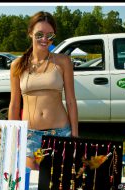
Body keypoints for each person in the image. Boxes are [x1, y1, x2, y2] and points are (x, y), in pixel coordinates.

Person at [8, 11, 78, 170]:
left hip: (61, 134)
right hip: (30, 137)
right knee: (30, 186)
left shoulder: (63, 62)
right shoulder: (17, 65)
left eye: (50, 35)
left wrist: (75, 135)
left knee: (57, 187)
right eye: (39, 34)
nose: (45, 39)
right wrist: (13, 137)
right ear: (30, 33)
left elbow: (71, 101)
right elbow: (14, 105)